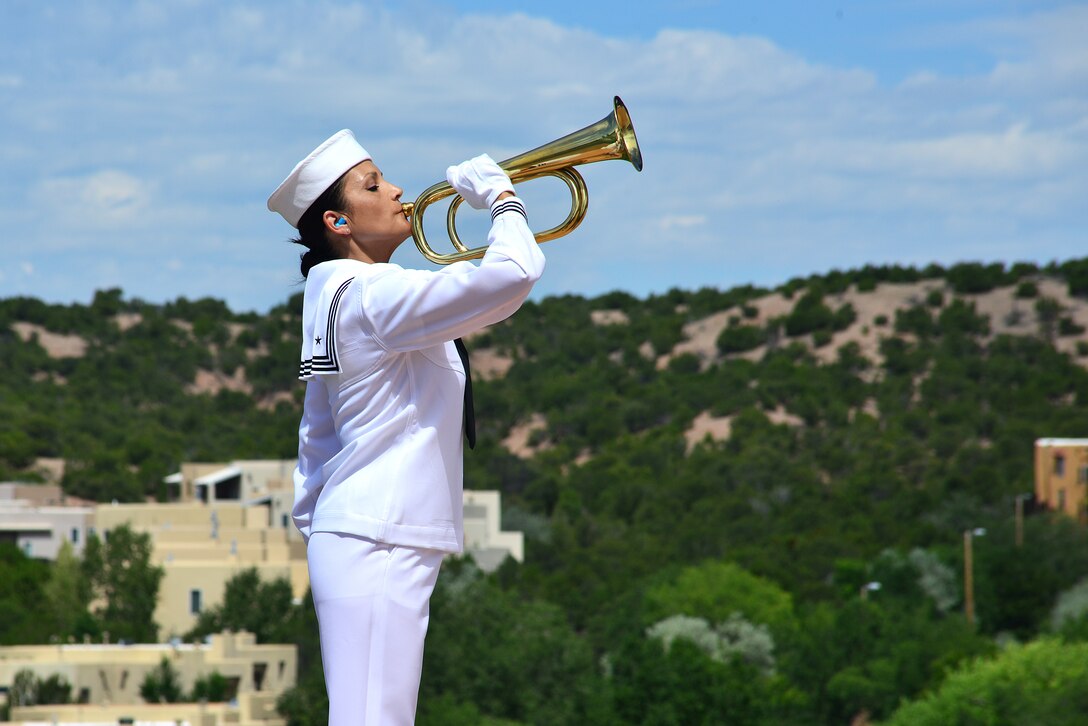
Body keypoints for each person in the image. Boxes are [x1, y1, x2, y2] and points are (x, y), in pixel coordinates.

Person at [266, 129, 545, 725]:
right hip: (379, 534)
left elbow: (317, 436)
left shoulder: (336, 294)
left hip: (369, 533)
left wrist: (324, 529)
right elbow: (515, 272)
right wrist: (503, 199)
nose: (396, 191)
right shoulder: (372, 294)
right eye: (373, 185)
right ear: (338, 222)